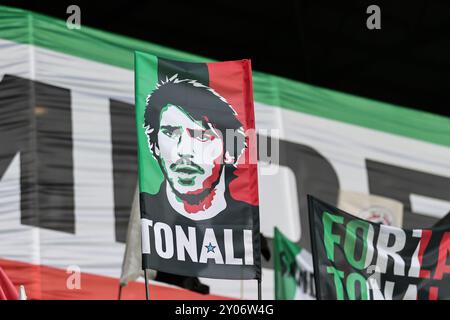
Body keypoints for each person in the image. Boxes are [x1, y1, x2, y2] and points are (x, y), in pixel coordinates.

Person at [144, 76, 247, 221]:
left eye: (202, 137)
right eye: (170, 133)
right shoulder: (142, 217)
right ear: (155, 146)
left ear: (229, 152)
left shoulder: (247, 225)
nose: (184, 152)